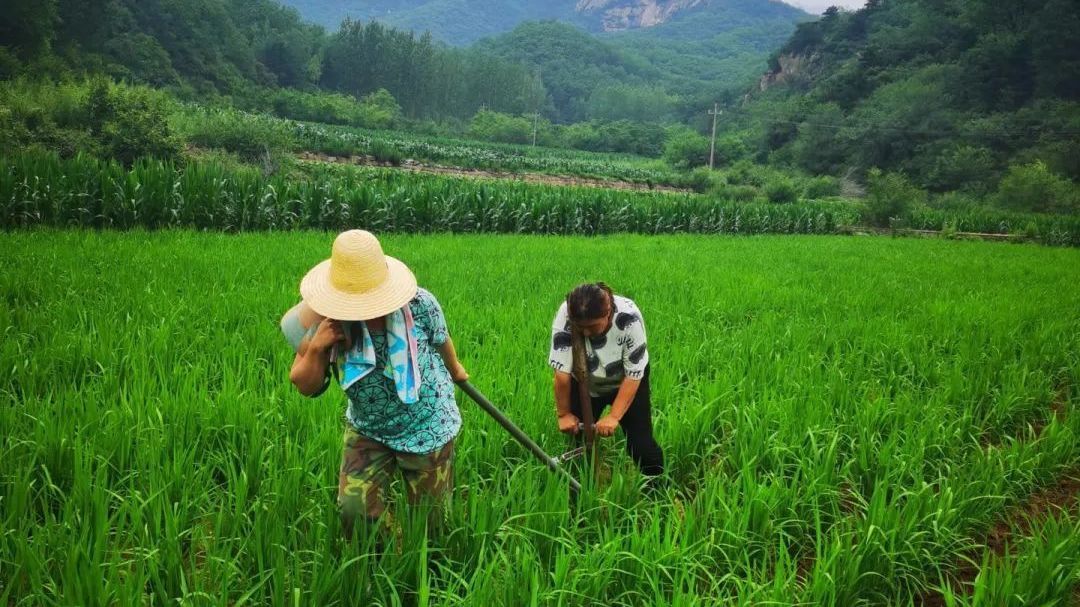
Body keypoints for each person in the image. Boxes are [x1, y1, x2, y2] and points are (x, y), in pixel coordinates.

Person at [284, 229, 468, 537]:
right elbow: (303, 384)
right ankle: (382, 563)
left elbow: (441, 340)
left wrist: (456, 370)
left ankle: (423, 573)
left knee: (432, 525)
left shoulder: (420, 304)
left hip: (426, 426)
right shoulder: (325, 319)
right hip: (369, 428)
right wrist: (317, 347)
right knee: (353, 511)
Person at [548, 282, 664, 484]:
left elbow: (633, 375)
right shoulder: (567, 314)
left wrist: (614, 416)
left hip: (625, 381)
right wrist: (564, 414)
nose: (585, 334)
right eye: (580, 328)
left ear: (608, 312)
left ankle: (657, 486)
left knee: (640, 444)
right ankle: (582, 488)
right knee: (579, 441)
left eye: (592, 327)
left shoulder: (629, 319)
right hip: (584, 381)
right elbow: (562, 375)